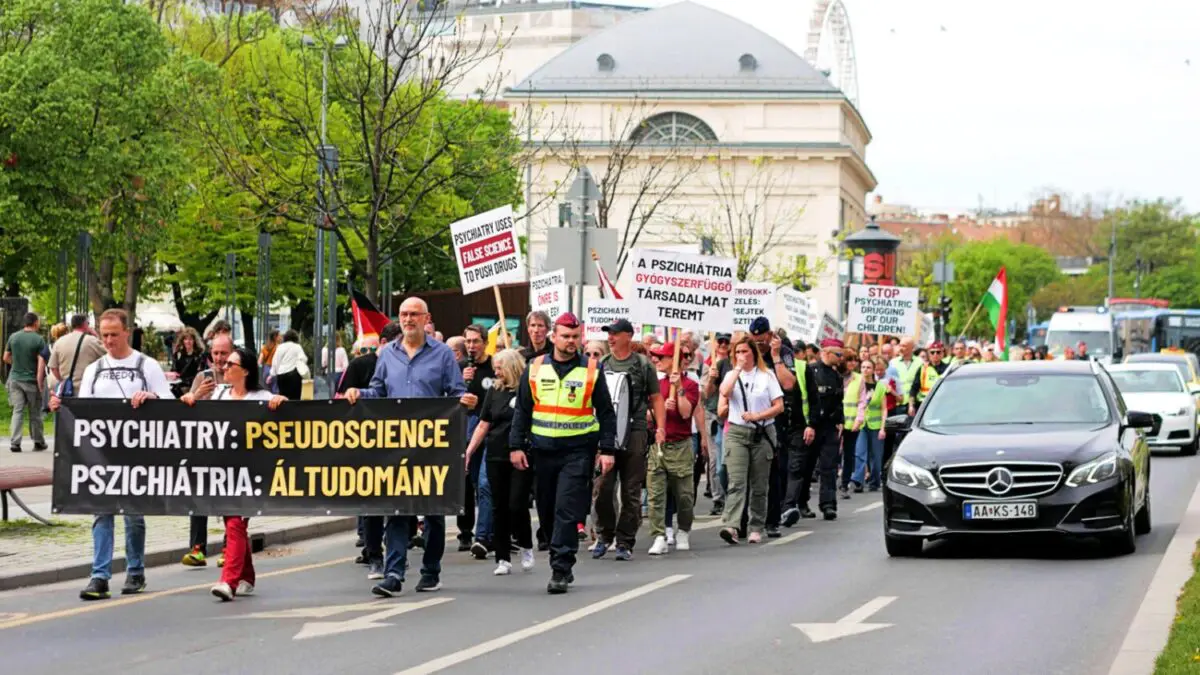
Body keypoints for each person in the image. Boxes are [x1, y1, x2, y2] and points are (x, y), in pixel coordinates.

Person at [344, 297, 466, 597]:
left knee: (433, 513)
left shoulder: (442, 355)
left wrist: (465, 401)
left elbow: (456, 393)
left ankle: (430, 571)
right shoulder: (387, 355)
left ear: (427, 318)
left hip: (433, 448)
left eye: (414, 314)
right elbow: (378, 391)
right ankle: (394, 573)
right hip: (398, 447)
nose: (408, 319)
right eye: (404, 314)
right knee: (396, 509)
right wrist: (358, 393)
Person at [50, 309, 174, 600]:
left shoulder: (147, 365)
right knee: (101, 512)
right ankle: (100, 575)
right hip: (102, 455)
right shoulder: (95, 369)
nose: (108, 340)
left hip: (137, 454)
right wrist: (63, 406)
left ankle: (135, 570)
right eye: (104, 335)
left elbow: (169, 402)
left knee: (133, 513)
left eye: (114, 335)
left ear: (126, 332)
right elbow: (84, 410)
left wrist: (151, 398)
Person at [509, 312, 617, 593]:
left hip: (577, 451)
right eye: (565, 336)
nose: (571, 341)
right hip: (542, 451)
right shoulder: (534, 367)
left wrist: (607, 449)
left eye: (575, 336)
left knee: (566, 509)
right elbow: (522, 409)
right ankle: (557, 550)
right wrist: (516, 445)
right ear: (553, 337)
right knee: (546, 513)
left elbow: (606, 412)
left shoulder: (591, 369)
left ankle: (560, 567)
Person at [180, 346, 286, 600]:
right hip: (224, 472)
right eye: (224, 364)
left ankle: (228, 581)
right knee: (233, 523)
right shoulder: (219, 395)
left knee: (236, 522)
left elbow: (283, 420)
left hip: (251, 473)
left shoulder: (260, 396)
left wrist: (280, 403)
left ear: (246, 371)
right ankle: (246, 576)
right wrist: (190, 399)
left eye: (231, 365)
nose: (224, 368)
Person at [593, 318, 666, 561]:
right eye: (609, 333)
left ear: (628, 336)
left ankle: (625, 541)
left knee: (631, 490)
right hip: (607, 432)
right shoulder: (602, 363)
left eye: (615, 333)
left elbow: (656, 397)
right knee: (602, 487)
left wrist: (660, 427)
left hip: (635, 431)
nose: (610, 338)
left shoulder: (643, 365)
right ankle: (605, 535)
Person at [464, 349, 535, 576]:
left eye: (499, 368)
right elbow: (484, 424)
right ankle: (503, 557)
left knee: (517, 504)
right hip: (495, 454)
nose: (496, 373)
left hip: (520, 454)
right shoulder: (494, 391)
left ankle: (525, 545)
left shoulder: (527, 391)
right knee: (498, 507)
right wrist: (469, 451)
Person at [339, 324, 401, 577]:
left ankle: (396, 555)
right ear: (383, 344)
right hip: (366, 442)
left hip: (398, 441)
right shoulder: (360, 365)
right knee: (372, 501)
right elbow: (343, 397)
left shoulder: (403, 365)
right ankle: (373, 553)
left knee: (398, 502)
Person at [716, 336, 783, 544]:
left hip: (761, 432)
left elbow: (778, 406)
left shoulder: (766, 376)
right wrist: (736, 369)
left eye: (745, 351)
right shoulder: (730, 374)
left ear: (753, 352)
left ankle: (756, 526)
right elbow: (725, 392)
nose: (741, 356)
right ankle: (732, 525)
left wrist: (758, 416)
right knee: (736, 481)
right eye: (737, 352)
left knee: (759, 483)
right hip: (737, 432)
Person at [180, 333, 235, 568]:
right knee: (199, 494)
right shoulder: (203, 377)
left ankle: (229, 548)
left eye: (224, 353)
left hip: (234, 447)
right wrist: (197, 395)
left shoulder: (241, 375)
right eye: (216, 353)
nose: (220, 358)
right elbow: (187, 405)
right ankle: (197, 548)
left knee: (231, 500)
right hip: (206, 446)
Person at [783, 338, 845, 524]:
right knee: (806, 467)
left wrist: (840, 421)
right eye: (838, 354)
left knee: (829, 467)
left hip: (829, 427)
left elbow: (837, 401)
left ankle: (828, 505)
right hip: (812, 426)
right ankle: (800, 503)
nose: (841, 358)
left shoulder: (836, 376)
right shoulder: (812, 370)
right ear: (826, 352)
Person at [646, 342, 699, 555]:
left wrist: (679, 392)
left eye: (662, 357)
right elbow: (647, 415)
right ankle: (658, 535)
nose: (657, 360)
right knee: (656, 494)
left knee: (684, 495)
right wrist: (660, 412)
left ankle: (683, 530)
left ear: (673, 360)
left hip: (681, 445)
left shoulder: (691, 384)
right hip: (659, 444)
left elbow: (686, 413)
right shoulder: (656, 385)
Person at [458, 324, 497, 559]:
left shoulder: (494, 366)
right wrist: (462, 383)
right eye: (468, 341)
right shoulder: (461, 368)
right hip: (466, 429)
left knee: (485, 484)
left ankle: (484, 535)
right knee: (466, 483)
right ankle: (466, 531)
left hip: (489, 431)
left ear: (484, 342)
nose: (471, 346)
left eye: (476, 341)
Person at [4, 312, 47, 452]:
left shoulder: (14, 337)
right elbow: (41, 363)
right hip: (31, 380)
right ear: (35, 323)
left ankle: (15, 443)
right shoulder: (39, 340)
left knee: (18, 411)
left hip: (15, 379)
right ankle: (38, 441)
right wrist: (40, 382)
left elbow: (5, 357)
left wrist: (16, 364)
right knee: (34, 412)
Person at [702, 333, 732, 515]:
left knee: (729, 461)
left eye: (726, 342)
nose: (722, 344)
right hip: (713, 415)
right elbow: (705, 394)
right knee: (716, 462)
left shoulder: (735, 364)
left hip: (733, 417)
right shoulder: (711, 364)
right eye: (719, 341)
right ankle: (718, 498)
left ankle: (733, 496)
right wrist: (712, 378)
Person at [850, 357, 889, 492]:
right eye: (863, 367)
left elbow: (884, 408)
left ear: (873, 370)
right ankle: (858, 481)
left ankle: (874, 481)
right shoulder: (855, 384)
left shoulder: (880, 386)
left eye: (868, 367)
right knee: (860, 452)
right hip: (861, 423)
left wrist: (883, 428)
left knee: (876, 457)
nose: (865, 370)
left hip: (876, 425)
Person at [48, 313, 104, 400]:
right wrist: (96, 335)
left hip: (66, 391)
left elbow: (53, 367)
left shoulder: (59, 342)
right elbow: (110, 355)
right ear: (85, 324)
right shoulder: (92, 341)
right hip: (87, 390)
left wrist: (63, 380)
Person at [909, 341, 949, 415]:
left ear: (942, 353)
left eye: (938, 352)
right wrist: (911, 405)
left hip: (942, 404)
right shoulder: (922, 368)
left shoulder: (948, 368)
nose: (935, 354)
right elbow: (914, 388)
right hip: (924, 404)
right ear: (929, 354)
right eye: (932, 352)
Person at [270, 330, 307, 400]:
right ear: (295, 338)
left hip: (281, 376)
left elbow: (275, 362)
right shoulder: (297, 346)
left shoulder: (280, 347)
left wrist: (273, 373)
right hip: (293, 376)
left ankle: (284, 410)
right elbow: (303, 359)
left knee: (282, 398)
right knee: (295, 398)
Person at [170, 327, 205, 398]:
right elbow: (173, 370)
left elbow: (200, 373)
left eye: (190, 339)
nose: (188, 342)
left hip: (193, 386)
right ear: (182, 341)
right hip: (178, 386)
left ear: (194, 341)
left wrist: (185, 381)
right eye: (185, 339)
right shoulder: (178, 354)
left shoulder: (199, 355)